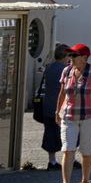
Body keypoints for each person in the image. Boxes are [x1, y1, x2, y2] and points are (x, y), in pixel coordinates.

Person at [54, 43, 91, 183]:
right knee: (67, 149)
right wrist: (58, 111)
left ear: (84, 58)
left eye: (74, 55)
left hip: (89, 116)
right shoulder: (67, 71)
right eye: (70, 55)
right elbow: (62, 93)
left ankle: (85, 182)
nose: (70, 58)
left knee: (86, 151)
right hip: (69, 116)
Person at [36, 43, 70, 171]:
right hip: (61, 107)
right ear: (65, 56)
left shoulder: (49, 67)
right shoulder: (65, 70)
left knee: (50, 133)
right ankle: (68, 160)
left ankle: (52, 161)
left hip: (48, 106)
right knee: (68, 134)